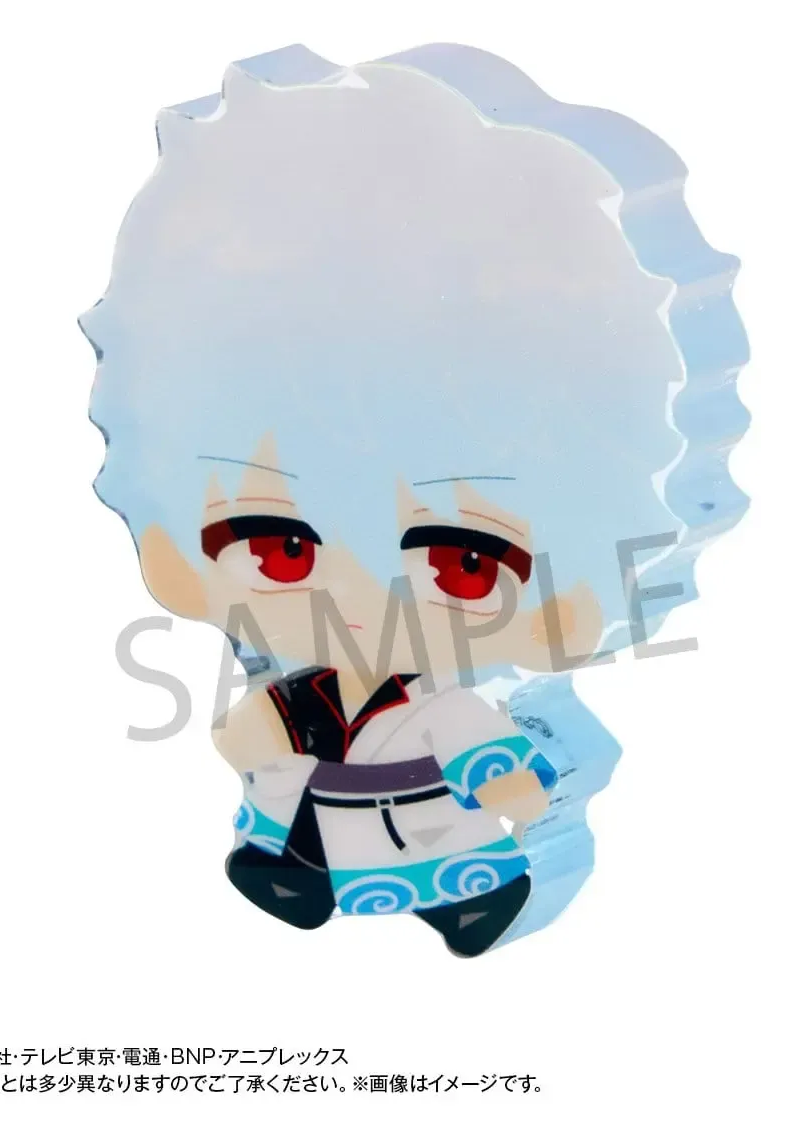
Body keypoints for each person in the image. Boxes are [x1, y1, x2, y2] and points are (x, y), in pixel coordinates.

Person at [82, 47, 737, 953]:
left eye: (463, 563)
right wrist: (255, 737)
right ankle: (299, 875)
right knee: (298, 826)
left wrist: (512, 784)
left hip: (431, 826)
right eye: (278, 549)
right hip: (328, 820)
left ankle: (465, 898)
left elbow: (491, 760)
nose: (358, 600)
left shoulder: (447, 702)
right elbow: (254, 733)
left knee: (449, 856)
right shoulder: (309, 692)